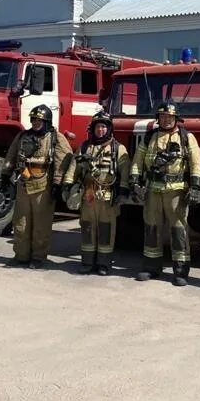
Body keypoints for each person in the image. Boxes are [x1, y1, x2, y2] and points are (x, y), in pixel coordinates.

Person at [130, 99, 200, 287]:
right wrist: (134, 182)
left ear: (176, 118)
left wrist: (195, 187)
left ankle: (180, 271)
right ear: (158, 118)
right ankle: (152, 267)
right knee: (152, 228)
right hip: (153, 190)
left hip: (176, 191)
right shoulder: (150, 137)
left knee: (178, 230)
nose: (166, 120)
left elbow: (196, 163)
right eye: (162, 116)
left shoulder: (187, 138)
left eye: (170, 116)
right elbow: (138, 161)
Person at [3, 105, 75, 269]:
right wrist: (5, 174)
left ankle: (38, 258)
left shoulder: (55, 138)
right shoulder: (22, 136)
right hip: (23, 185)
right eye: (34, 119)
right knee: (21, 223)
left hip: (43, 187)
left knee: (41, 226)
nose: (36, 123)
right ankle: (21, 256)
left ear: (47, 121)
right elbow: (11, 155)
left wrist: (58, 184)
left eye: (39, 120)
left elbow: (63, 162)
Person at [69, 109, 130, 276]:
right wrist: (68, 185)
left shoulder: (119, 149)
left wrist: (123, 191)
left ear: (109, 129)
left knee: (106, 229)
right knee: (87, 228)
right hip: (88, 195)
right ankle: (87, 262)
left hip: (108, 196)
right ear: (93, 129)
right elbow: (73, 168)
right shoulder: (85, 147)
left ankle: (104, 264)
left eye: (103, 127)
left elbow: (125, 171)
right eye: (98, 127)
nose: (100, 130)